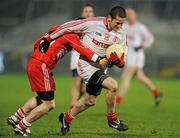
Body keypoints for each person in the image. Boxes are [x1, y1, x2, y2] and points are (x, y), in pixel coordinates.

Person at [40, 6, 129, 135]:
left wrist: (119, 61)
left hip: (101, 68)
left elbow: (123, 59)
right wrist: (48, 39)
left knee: (90, 101)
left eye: (122, 23)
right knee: (113, 86)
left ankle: (66, 119)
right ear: (109, 18)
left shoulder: (121, 34)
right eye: (118, 22)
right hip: (86, 65)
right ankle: (112, 119)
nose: (120, 26)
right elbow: (68, 26)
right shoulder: (94, 23)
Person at [7, 25, 108, 136]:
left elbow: (37, 43)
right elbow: (83, 49)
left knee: (43, 98)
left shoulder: (56, 29)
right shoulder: (72, 35)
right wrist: (99, 59)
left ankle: (16, 117)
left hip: (35, 62)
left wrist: (38, 55)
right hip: (42, 65)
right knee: (49, 104)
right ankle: (22, 126)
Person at [116, 7, 162, 106]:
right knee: (140, 76)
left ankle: (118, 101)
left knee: (125, 77)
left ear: (135, 15)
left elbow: (150, 38)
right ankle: (156, 92)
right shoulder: (125, 26)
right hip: (129, 55)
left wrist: (142, 45)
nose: (129, 16)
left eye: (131, 14)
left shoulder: (140, 27)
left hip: (136, 56)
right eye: (127, 14)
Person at [69, 3, 95, 109]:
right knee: (76, 83)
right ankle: (72, 106)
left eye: (90, 11)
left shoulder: (96, 27)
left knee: (84, 88)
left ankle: (75, 105)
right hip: (76, 58)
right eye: (86, 11)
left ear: (93, 14)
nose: (88, 13)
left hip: (89, 60)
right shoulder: (77, 24)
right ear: (82, 13)